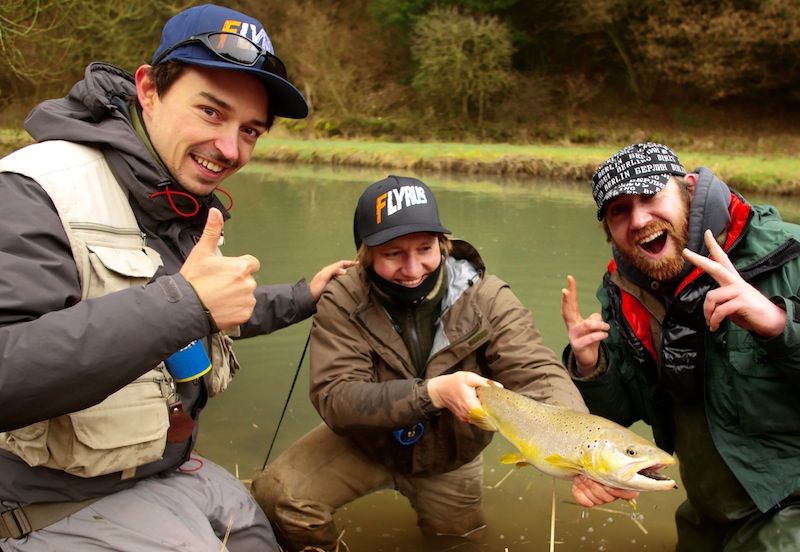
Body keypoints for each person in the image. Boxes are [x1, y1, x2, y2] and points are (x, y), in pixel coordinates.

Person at [0, 4, 353, 551]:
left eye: (251, 131)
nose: (231, 150)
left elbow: (214, 309)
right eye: (212, 112)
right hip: (51, 496)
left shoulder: (176, 199)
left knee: (260, 537)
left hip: (160, 466)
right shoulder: (33, 189)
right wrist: (185, 304)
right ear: (148, 89)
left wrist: (307, 294)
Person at [250, 175, 636, 551]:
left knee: (459, 544)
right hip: (364, 442)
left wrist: (582, 450)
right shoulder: (341, 298)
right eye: (393, 254)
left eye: (425, 249)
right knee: (278, 499)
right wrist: (430, 393)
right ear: (365, 254)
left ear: (442, 243)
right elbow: (336, 398)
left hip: (450, 456)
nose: (413, 268)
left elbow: (536, 371)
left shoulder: (487, 297)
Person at [560, 142, 800, 551]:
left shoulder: (788, 254)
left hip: (788, 509)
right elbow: (624, 412)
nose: (638, 220)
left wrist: (778, 323)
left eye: (651, 196)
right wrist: (591, 366)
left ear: (688, 188)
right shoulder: (622, 292)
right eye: (619, 211)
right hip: (706, 515)